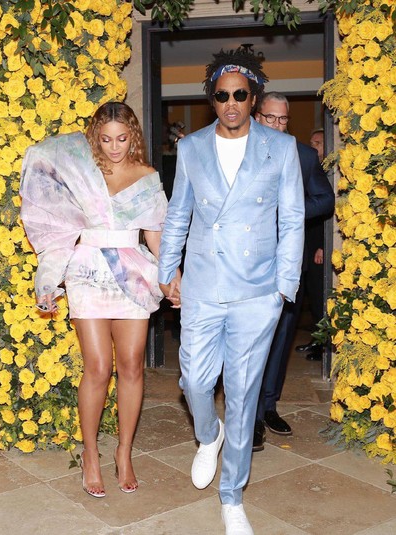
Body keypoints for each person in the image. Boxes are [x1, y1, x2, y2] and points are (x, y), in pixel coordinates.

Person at [158, 48, 305, 535]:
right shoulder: (192, 148)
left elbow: (293, 220)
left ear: (253, 97)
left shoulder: (280, 148)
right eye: (222, 96)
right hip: (203, 285)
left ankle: (232, 496)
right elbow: (178, 214)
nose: (231, 103)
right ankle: (208, 434)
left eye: (240, 94)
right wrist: (167, 270)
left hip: (257, 292)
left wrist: (283, 287)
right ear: (212, 99)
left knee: (242, 396)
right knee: (194, 382)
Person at [20, 102, 167, 498]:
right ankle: (90, 454)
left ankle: (124, 452)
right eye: (105, 139)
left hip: (133, 274)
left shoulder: (148, 177)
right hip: (87, 272)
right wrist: (48, 282)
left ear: (132, 137)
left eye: (121, 139)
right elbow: (57, 231)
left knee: (132, 365)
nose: (114, 147)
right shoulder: (79, 172)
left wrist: (173, 279)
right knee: (98, 367)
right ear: (94, 138)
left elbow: (157, 237)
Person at [253, 94, 334, 451]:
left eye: (283, 119)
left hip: (288, 264)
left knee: (282, 337)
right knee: (249, 340)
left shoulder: (303, 155)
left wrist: (289, 208)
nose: (277, 125)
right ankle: (250, 414)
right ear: (257, 117)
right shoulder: (237, 152)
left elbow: (326, 199)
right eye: (270, 118)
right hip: (245, 265)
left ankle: (268, 407)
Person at [295, 128, 328, 360]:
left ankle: (322, 345)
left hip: (318, 244)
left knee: (319, 296)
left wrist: (324, 246)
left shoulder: (330, 173)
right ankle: (316, 340)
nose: (313, 146)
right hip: (305, 242)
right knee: (307, 293)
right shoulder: (310, 168)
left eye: (318, 143)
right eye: (311, 142)